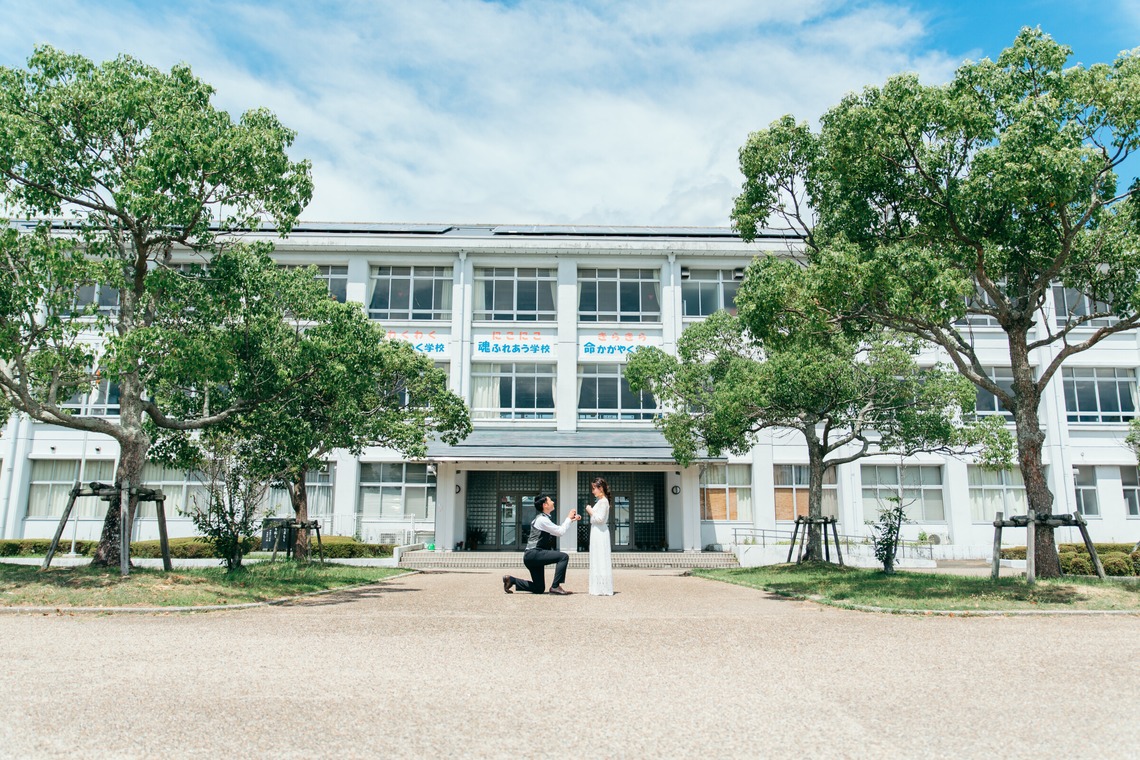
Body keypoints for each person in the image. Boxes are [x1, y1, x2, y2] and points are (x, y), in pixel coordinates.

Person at [502, 494, 580, 595]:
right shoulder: (542, 520)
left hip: (531, 556)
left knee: (539, 588)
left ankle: (511, 580)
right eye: (550, 500)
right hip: (535, 554)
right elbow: (560, 532)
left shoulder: (541, 518)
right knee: (563, 557)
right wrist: (568, 518)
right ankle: (555, 587)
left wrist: (570, 520)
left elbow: (558, 529)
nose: (553, 502)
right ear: (545, 505)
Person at [585, 477, 614, 596]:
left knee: (600, 557)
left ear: (600, 488)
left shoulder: (603, 501)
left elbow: (600, 519)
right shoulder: (601, 501)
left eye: (594, 489)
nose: (593, 491)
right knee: (598, 557)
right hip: (597, 531)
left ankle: (602, 588)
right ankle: (599, 587)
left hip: (600, 531)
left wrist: (590, 510)